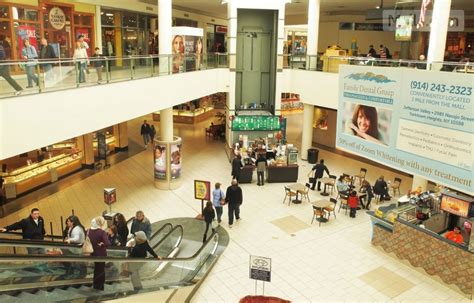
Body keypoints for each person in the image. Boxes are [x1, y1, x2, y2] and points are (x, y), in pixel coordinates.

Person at [88, 216, 110, 291]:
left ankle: (95, 285)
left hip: (93, 253)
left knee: (96, 270)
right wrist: (102, 244)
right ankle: (100, 287)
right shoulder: (102, 232)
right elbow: (107, 243)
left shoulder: (89, 231)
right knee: (101, 270)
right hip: (101, 254)